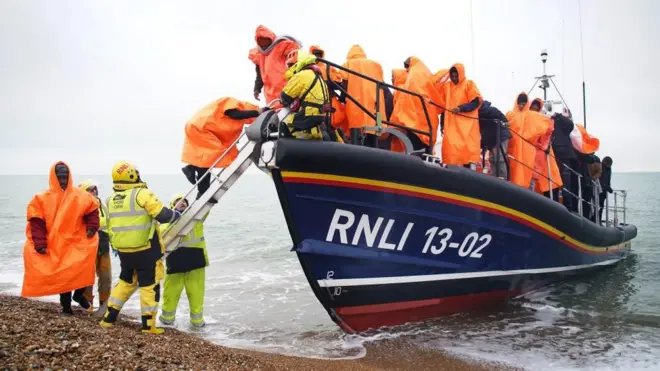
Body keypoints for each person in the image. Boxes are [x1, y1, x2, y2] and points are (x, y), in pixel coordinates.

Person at [100, 161, 182, 334]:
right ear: (131, 175)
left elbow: (108, 225)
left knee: (125, 282)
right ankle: (149, 326)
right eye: (135, 172)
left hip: (124, 252)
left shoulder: (110, 200)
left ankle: (109, 318)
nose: (138, 174)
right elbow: (162, 215)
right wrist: (177, 214)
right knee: (149, 286)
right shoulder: (142, 194)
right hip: (146, 250)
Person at [22, 162, 99, 315]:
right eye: (60, 177)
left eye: (65, 177)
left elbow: (92, 211)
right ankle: (66, 307)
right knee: (64, 276)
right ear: (53, 177)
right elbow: (36, 222)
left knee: (84, 268)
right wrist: (40, 243)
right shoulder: (41, 198)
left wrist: (91, 228)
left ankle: (79, 295)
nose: (63, 180)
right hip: (55, 243)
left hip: (77, 241)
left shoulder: (81, 196)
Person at [181, 97, 264, 202]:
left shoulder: (234, 116)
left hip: (199, 127)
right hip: (201, 128)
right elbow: (235, 114)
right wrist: (257, 112)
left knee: (206, 161)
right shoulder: (232, 103)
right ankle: (198, 184)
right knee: (211, 158)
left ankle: (200, 186)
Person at [159, 193, 209, 328]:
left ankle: (197, 322)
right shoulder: (167, 222)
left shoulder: (196, 218)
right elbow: (161, 234)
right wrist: (174, 220)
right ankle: (166, 320)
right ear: (172, 206)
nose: (182, 203)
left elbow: (206, 208)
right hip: (176, 262)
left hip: (195, 262)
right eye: (178, 201)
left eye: (184, 202)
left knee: (196, 293)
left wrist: (204, 194)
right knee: (171, 292)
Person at [389, 56, 442, 153]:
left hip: (414, 121)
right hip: (425, 119)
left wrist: (393, 123)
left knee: (415, 148)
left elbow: (402, 105)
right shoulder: (425, 73)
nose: (406, 70)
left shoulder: (411, 78)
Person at [279, 50, 334, 141]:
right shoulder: (319, 77)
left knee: (284, 125)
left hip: (307, 116)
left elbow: (285, 96)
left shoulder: (302, 75)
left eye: (291, 65)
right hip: (319, 117)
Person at [79, 179, 113, 318]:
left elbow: (109, 225)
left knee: (106, 277)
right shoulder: (80, 207)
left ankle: (104, 304)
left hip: (103, 245)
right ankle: (87, 304)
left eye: (94, 189)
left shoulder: (102, 205)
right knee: (87, 277)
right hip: (87, 246)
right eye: (90, 189)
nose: (94, 191)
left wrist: (114, 243)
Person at [338, 45, 387, 144]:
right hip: (376, 106)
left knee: (357, 133)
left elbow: (343, 82)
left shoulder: (349, 64)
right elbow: (382, 85)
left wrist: (341, 98)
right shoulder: (376, 65)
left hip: (357, 105)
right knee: (374, 134)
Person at [442, 63, 482, 168]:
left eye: (456, 76)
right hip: (451, 127)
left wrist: (460, 108)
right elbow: (443, 107)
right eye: (452, 76)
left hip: (467, 128)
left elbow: (476, 102)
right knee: (451, 154)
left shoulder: (469, 84)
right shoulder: (447, 87)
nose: (454, 79)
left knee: (467, 155)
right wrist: (442, 125)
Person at [248, 25, 301, 104]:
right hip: (270, 95)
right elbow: (259, 75)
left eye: (266, 40)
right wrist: (257, 89)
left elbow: (295, 62)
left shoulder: (283, 46)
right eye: (261, 41)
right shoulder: (258, 55)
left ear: (271, 38)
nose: (264, 43)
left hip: (288, 90)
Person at [529, 98, 563, 200]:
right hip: (534, 159)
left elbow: (547, 136)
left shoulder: (546, 123)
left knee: (550, 186)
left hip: (545, 159)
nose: (534, 111)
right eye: (532, 109)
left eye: (536, 109)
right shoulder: (528, 122)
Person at [550, 108, 578, 210]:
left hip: (564, 155)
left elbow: (570, 125)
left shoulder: (564, 124)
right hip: (553, 154)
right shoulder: (549, 122)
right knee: (554, 179)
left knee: (566, 180)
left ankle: (568, 206)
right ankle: (555, 203)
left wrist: (559, 116)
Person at [478, 100, 511, 179]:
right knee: (492, 159)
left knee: (499, 158)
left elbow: (500, 115)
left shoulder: (489, 110)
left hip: (501, 136)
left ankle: (503, 178)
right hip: (492, 138)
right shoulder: (478, 114)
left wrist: (505, 121)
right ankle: (495, 177)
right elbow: (484, 131)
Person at [598, 156, 614, 223]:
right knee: (597, 206)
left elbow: (608, 179)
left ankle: (599, 220)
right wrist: (607, 187)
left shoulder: (609, 169)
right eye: (608, 164)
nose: (609, 166)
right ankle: (596, 220)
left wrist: (608, 187)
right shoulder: (600, 166)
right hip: (599, 190)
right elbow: (599, 179)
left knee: (601, 206)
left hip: (604, 190)